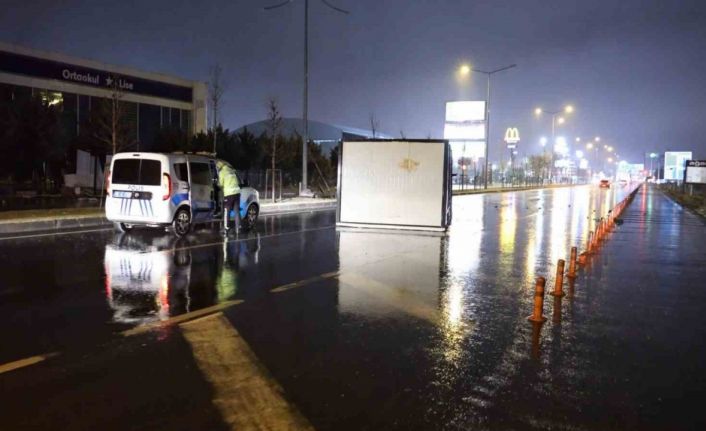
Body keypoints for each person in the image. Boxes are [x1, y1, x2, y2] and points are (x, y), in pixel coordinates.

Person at [216, 160, 240, 233]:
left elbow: (220, 184)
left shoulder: (222, 172)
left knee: (227, 211)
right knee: (236, 211)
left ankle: (226, 228)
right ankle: (238, 228)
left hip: (229, 194)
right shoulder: (232, 170)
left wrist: (217, 184)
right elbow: (238, 182)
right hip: (237, 193)